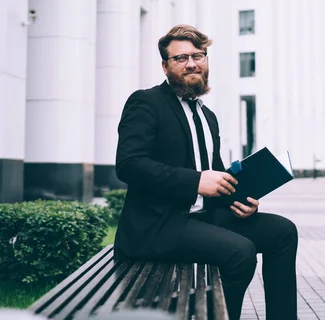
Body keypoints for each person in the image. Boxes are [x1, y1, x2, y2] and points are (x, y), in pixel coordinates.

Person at [113, 25, 298, 320]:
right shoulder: (146, 102)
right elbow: (129, 164)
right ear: (165, 66)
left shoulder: (207, 116)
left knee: (284, 232)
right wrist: (196, 181)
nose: (191, 63)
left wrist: (240, 199)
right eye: (180, 58)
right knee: (240, 252)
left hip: (202, 218)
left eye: (198, 55)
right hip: (158, 226)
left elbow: (214, 174)